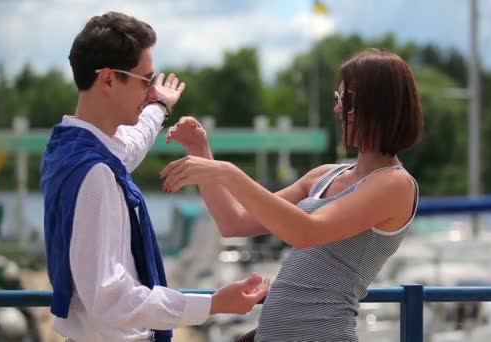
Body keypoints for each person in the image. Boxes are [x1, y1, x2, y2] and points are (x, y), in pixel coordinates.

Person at [159, 48, 424, 341]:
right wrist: (202, 151)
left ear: (380, 106)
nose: (337, 109)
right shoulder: (324, 175)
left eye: (346, 101)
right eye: (337, 100)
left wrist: (228, 172)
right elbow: (234, 223)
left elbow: (306, 232)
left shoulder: (395, 184)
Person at [40, 12, 268, 342]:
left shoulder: (67, 148)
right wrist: (212, 304)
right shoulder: (96, 173)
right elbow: (108, 297)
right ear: (107, 80)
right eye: (145, 82)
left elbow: (126, 149)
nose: (150, 92)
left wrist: (159, 106)